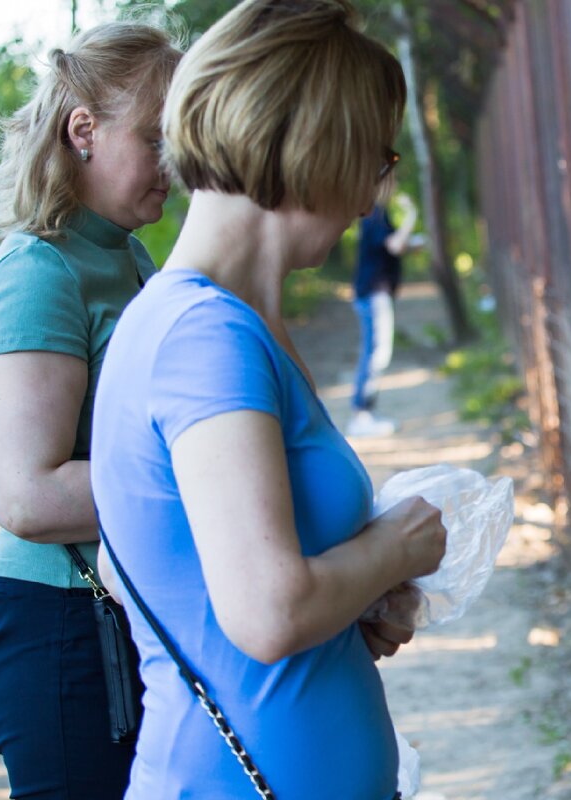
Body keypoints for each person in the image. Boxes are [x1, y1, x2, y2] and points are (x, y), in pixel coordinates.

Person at [89, 1, 447, 797]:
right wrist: (401, 545)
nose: (367, 198)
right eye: (374, 158)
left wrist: (352, 604)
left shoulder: (209, 322)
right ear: (313, 143)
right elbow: (269, 612)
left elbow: (161, 575)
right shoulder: (205, 337)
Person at [0, 22, 181, 799]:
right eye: (158, 140)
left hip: (123, 607)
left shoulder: (126, 252)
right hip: (62, 627)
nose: (178, 165)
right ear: (84, 132)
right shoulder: (39, 268)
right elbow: (24, 495)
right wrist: (208, 485)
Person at [348, 190, 419, 437]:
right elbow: (395, 245)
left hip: (373, 293)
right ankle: (362, 415)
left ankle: (364, 413)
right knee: (376, 353)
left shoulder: (377, 213)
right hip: (373, 294)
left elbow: (390, 246)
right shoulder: (374, 213)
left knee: (375, 352)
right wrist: (412, 214)